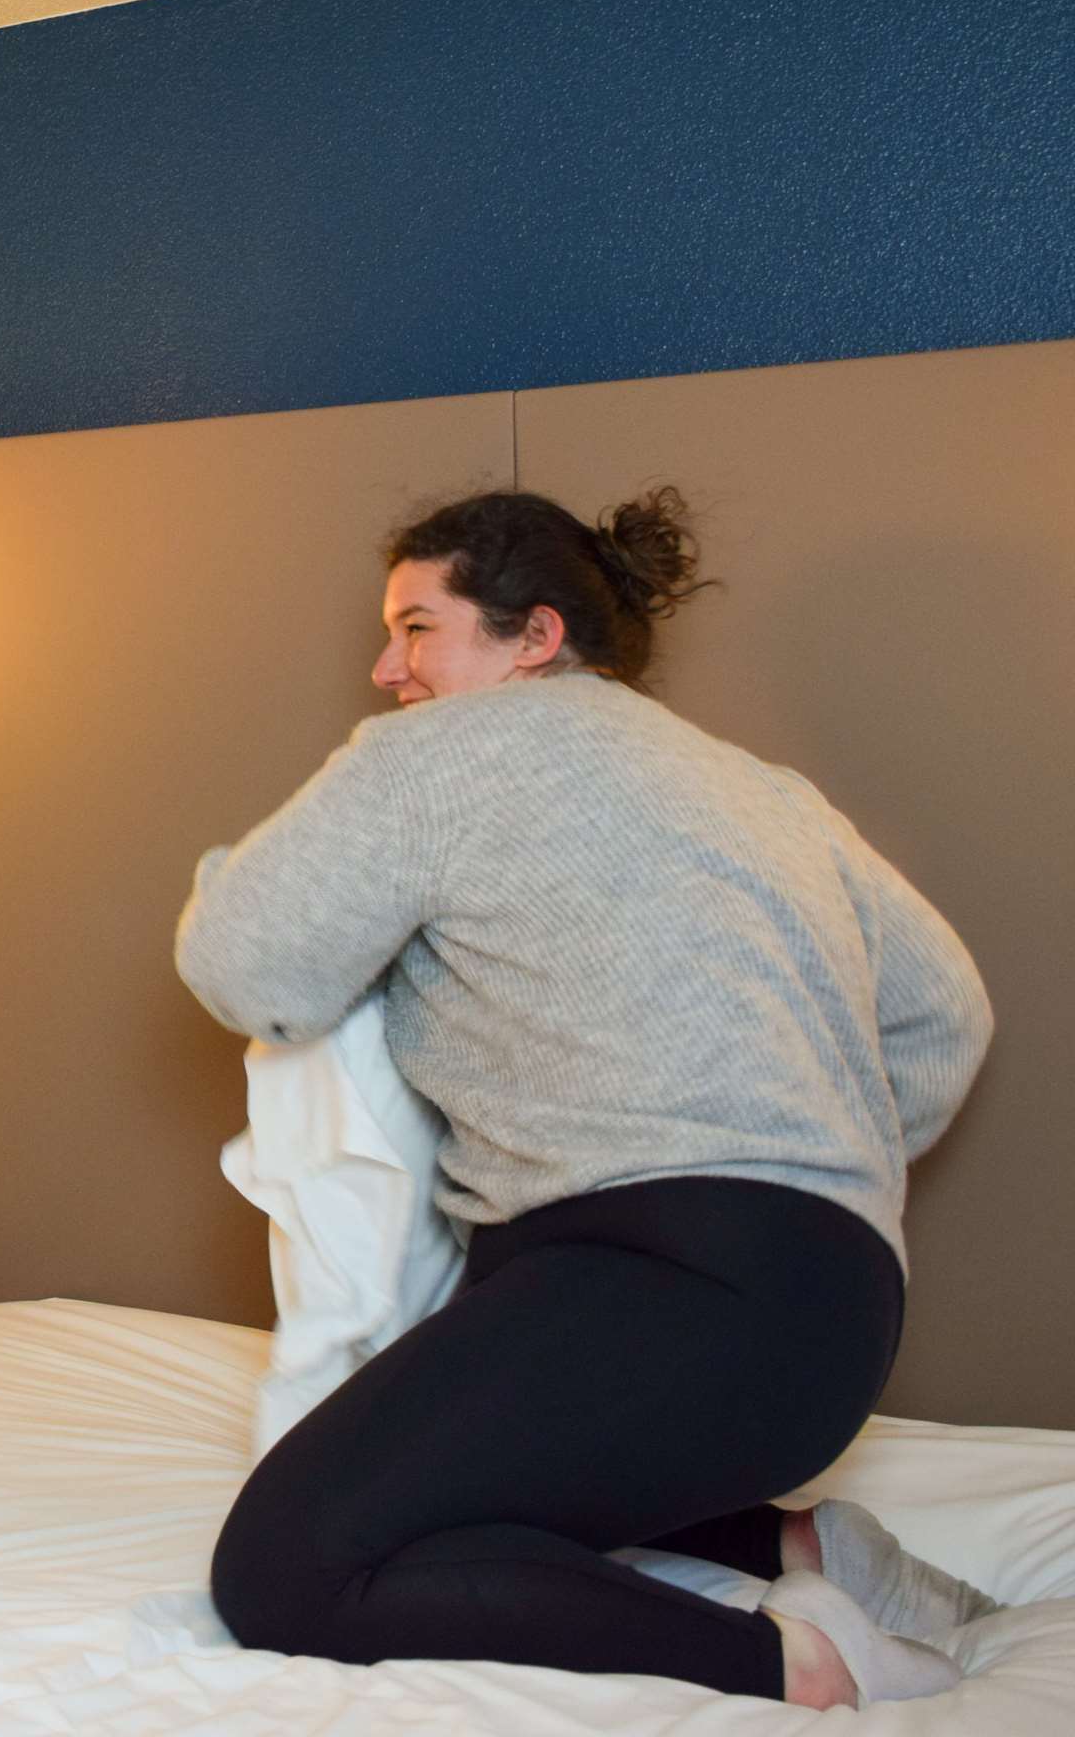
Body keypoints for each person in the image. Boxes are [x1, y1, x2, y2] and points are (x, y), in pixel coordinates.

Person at [176, 487, 997, 1710]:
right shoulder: (765, 790)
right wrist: (807, 1159)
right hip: (835, 1323)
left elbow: (248, 968)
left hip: (646, 1286)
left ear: (535, 636)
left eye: (417, 628)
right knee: (461, 1494)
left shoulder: (437, 757)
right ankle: (800, 1545)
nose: (386, 669)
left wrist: (228, 872)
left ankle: (799, 1664)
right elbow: (948, 1014)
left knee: (286, 1568)